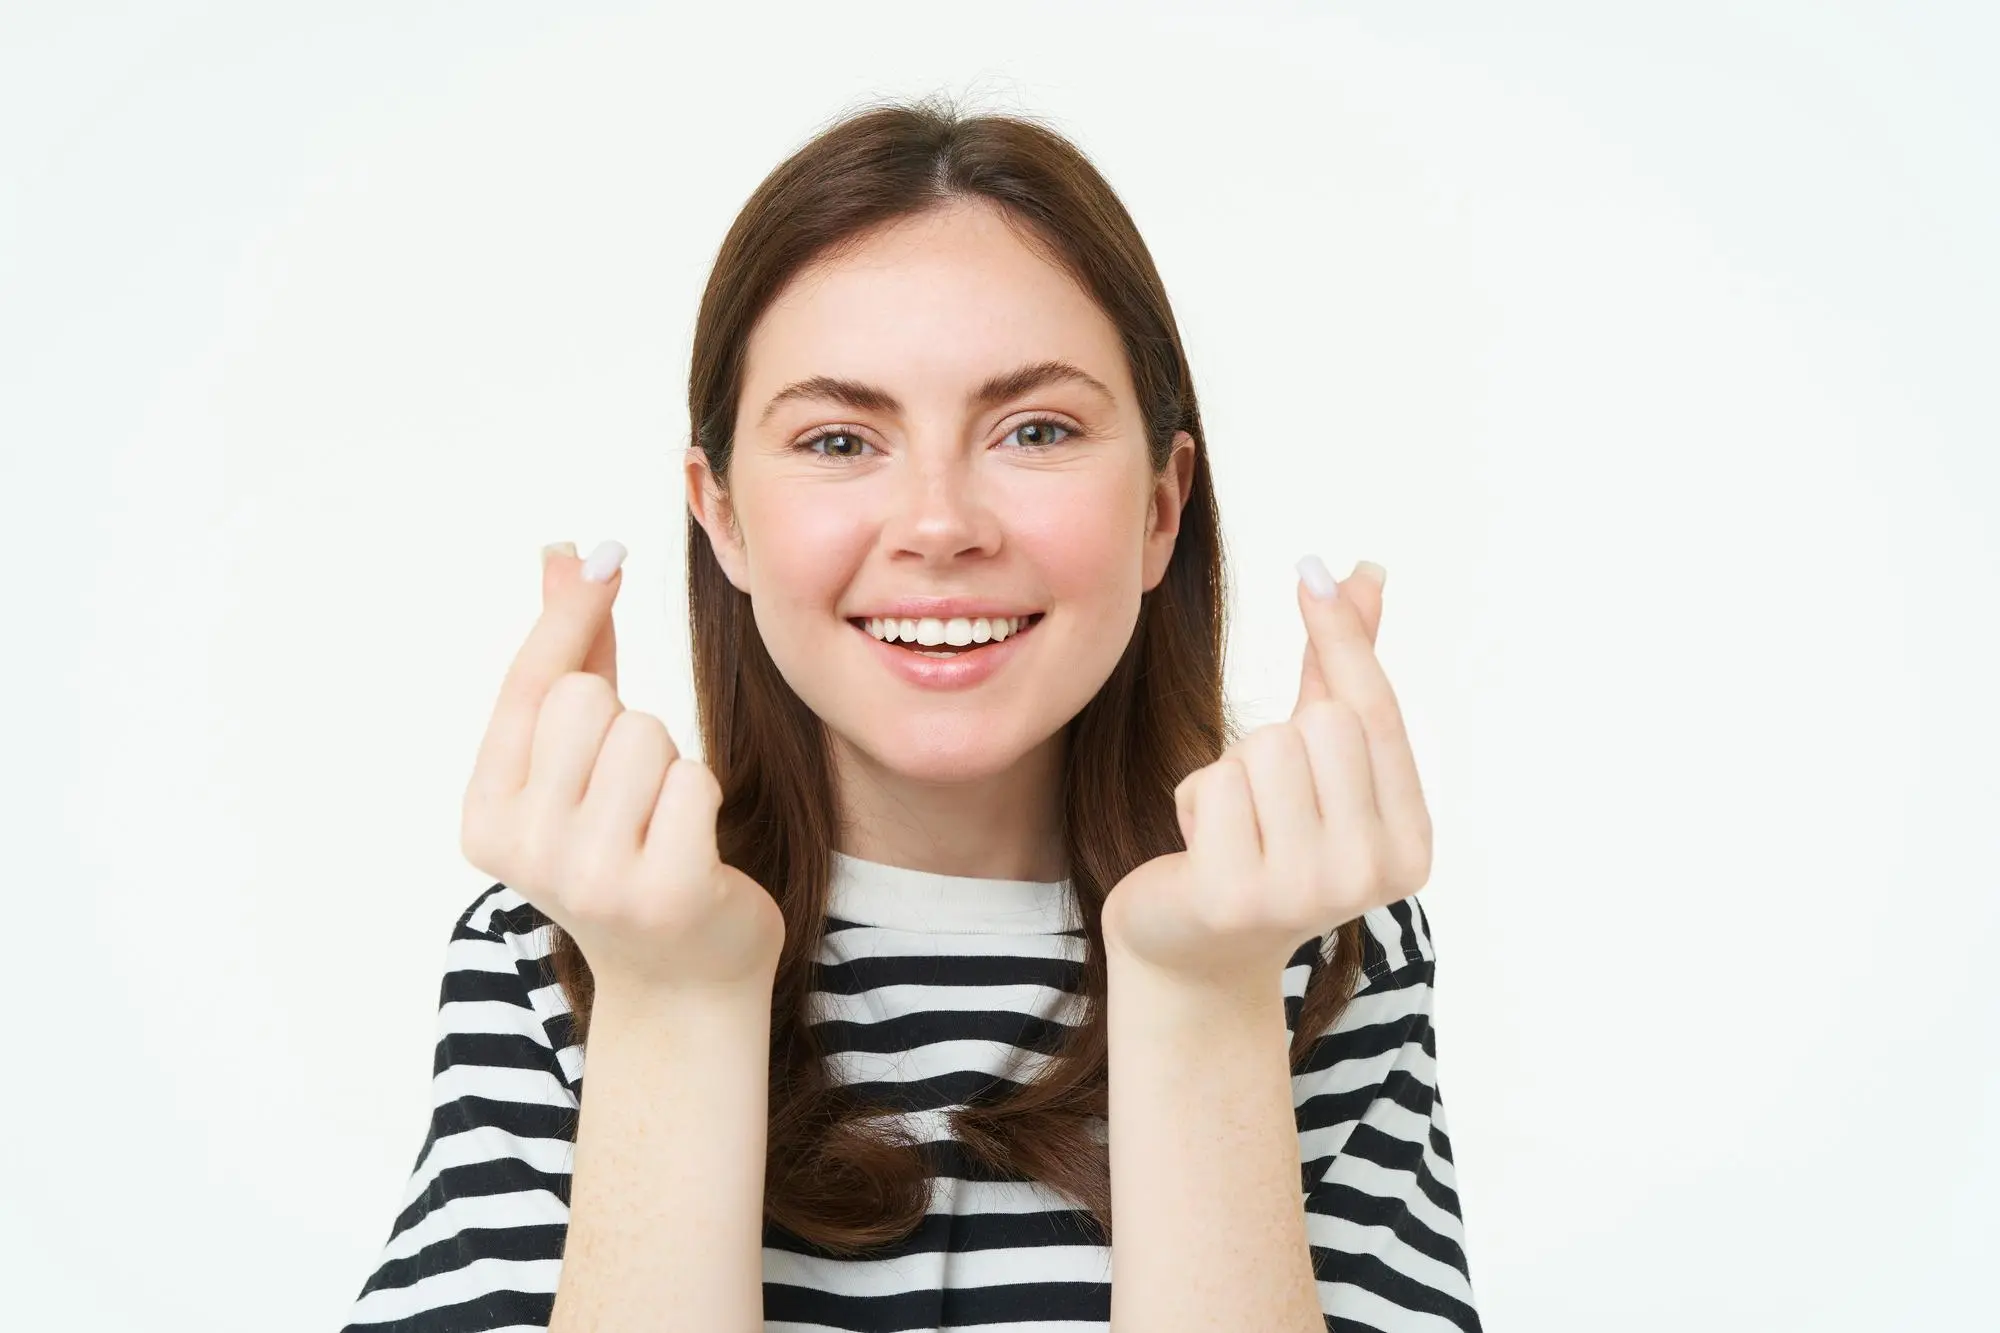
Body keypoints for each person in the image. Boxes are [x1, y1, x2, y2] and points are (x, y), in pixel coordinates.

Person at [341, 95, 1480, 1333]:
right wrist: (671, 998)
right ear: (718, 514)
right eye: (838, 440)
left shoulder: (1303, 936)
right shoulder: (564, 940)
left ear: (1161, 508)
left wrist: (1201, 993)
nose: (939, 525)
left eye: (1032, 429)